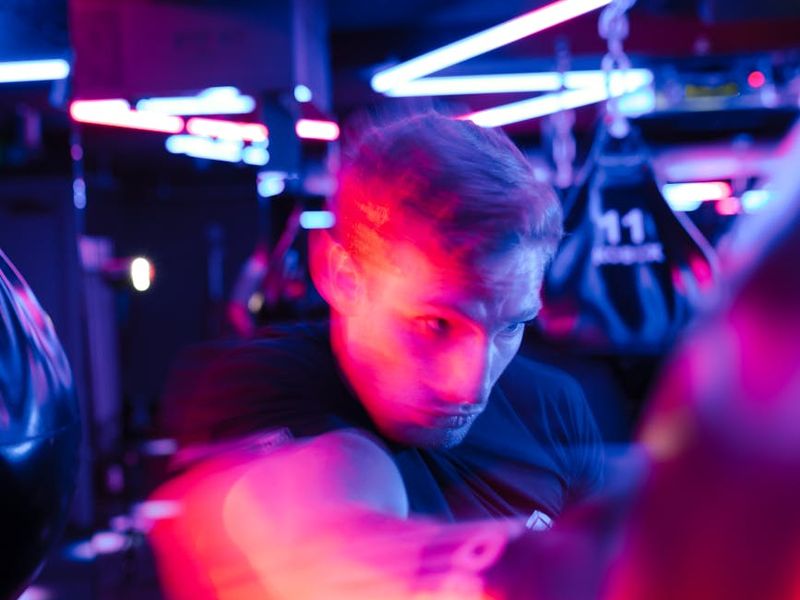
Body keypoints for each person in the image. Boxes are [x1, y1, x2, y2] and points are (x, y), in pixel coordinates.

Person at [148, 110, 605, 599]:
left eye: (510, 326)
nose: (471, 385)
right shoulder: (256, 388)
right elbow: (325, 544)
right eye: (436, 324)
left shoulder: (554, 410)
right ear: (343, 276)